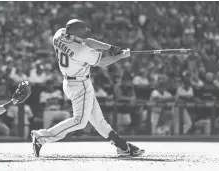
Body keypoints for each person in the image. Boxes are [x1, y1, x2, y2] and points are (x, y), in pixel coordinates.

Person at [31, 19, 145, 158]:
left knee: (98, 120)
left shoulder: (59, 34)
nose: (84, 38)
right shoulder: (80, 51)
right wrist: (122, 56)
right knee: (80, 121)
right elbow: (102, 62)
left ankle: (122, 146)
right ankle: (42, 136)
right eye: (81, 35)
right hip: (80, 86)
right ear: (73, 35)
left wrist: (109, 47)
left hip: (70, 82)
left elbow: (87, 41)